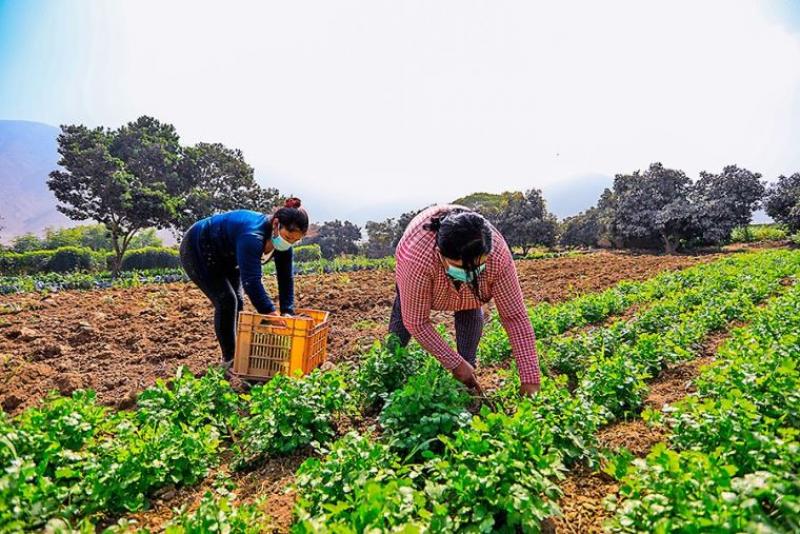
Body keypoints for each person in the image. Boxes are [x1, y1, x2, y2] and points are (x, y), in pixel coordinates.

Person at [390, 204, 541, 396]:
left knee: (470, 306)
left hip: (468, 271)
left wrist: (530, 380)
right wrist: (455, 365)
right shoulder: (416, 260)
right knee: (401, 323)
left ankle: (466, 377)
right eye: (459, 267)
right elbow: (417, 322)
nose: (469, 275)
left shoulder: (497, 256)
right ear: (440, 255)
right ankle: (390, 371)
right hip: (418, 264)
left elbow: (515, 317)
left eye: (477, 267)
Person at [179, 198, 309, 366]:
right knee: (226, 301)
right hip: (197, 247)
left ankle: (240, 354)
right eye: (288, 237)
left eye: (294, 241)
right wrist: (269, 312)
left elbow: (285, 278)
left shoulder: (282, 243)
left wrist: (287, 312)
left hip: (227, 254)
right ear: (276, 224)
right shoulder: (252, 236)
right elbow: (251, 281)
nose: (289, 243)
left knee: (238, 302)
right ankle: (230, 360)